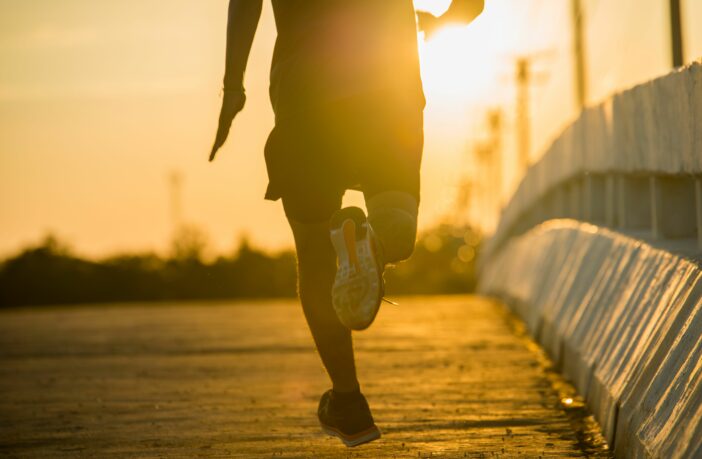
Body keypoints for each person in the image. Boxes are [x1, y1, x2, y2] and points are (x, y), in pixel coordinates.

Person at [210, 0, 484, 447]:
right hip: (389, 90)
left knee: (315, 250)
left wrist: (232, 86)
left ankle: (349, 403)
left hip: (306, 95)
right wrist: (446, 21)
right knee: (396, 222)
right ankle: (371, 243)